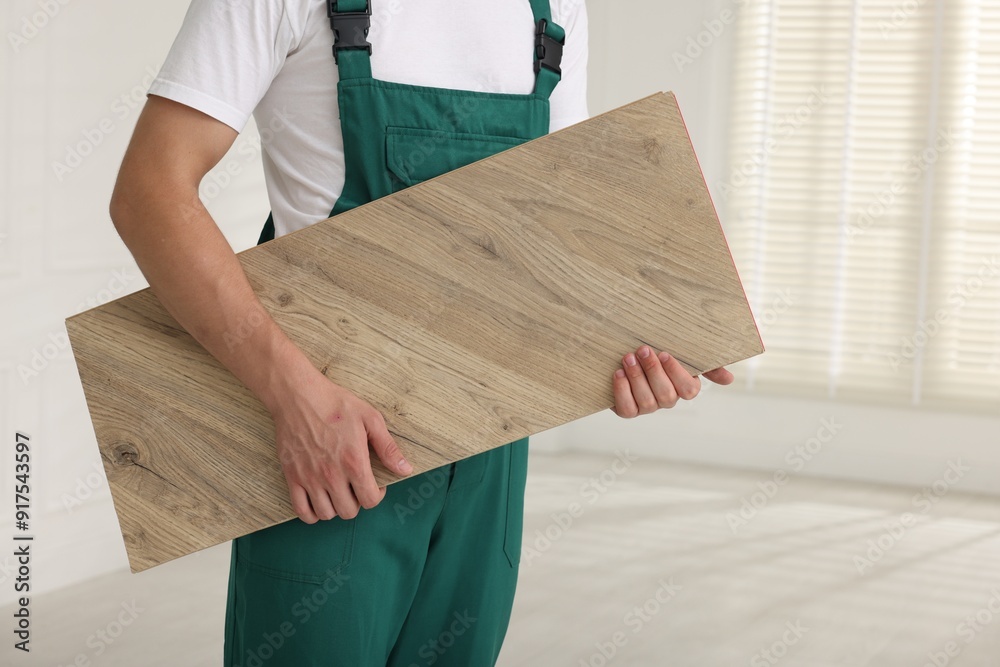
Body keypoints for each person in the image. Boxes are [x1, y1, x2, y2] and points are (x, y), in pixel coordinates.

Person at [109, 0, 734, 664]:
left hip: (490, 455)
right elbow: (150, 193)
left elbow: (552, 229)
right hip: (327, 452)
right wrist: (294, 399)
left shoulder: (551, 11)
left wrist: (647, 339)